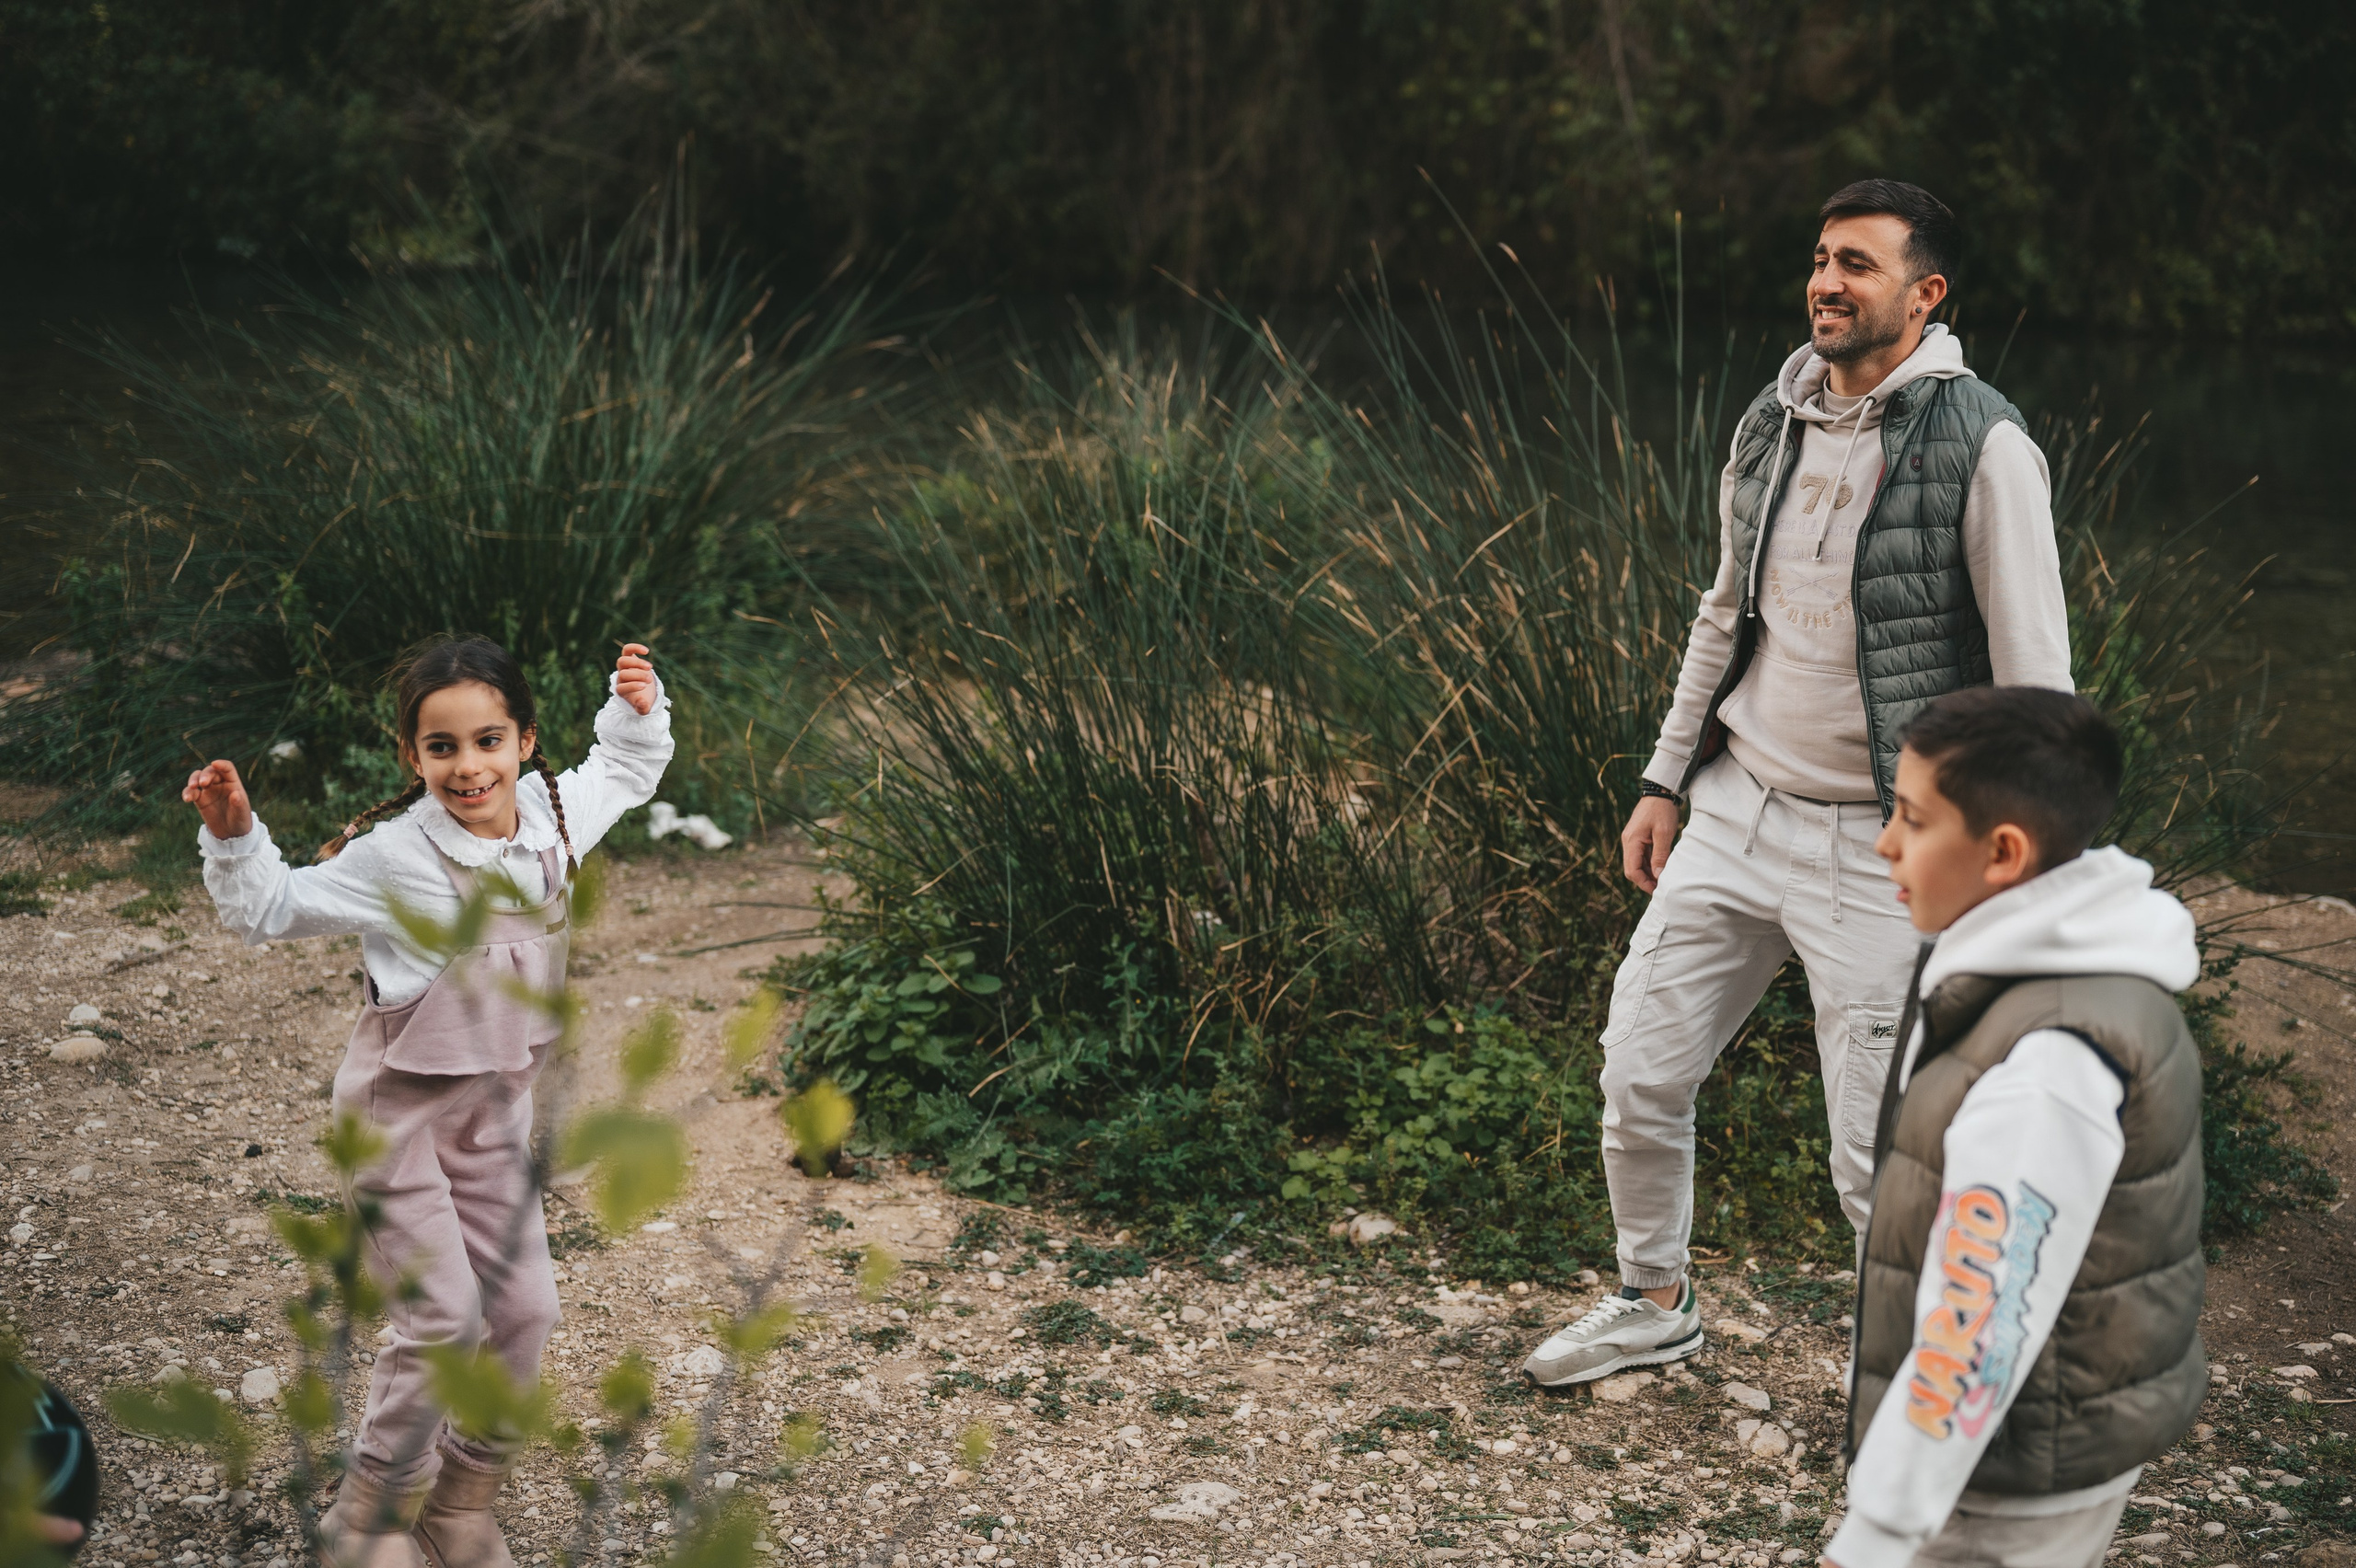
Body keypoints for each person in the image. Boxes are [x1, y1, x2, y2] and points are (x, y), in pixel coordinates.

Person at [1524, 179, 2073, 1386]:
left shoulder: (1986, 445)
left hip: (1883, 852)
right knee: (1640, 1071)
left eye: (1860, 265)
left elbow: (2037, 683)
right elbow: (1726, 618)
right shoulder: (1772, 422)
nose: (1828, 281)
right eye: (1822, 257)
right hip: (1734, 813)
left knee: (1873, 1157)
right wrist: (1666, 777)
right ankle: (1651, 1299)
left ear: (1927, 294)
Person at [184, 637, 674, 1568]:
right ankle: (365, 1520)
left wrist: (636, 708)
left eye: (488, 740)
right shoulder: (396, 857)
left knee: (525, 1313)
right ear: (412, 759)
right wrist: (236, 833)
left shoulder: (556, 819)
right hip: (397, 1130)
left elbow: (624, 765)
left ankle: (459, 1508)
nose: (468, 766)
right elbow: (271, 909)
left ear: (526, 741)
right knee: (444, 1319)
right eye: (441, 748)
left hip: (495, 1128)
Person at [1828, 685, 2204, 1568]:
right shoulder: (2059, 967)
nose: (1885, 844)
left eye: (1913, 822)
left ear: (2003, 851)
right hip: (2036, 1439)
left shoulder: (2048, 1062)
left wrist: (1877, 1533)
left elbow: (1981, 1313)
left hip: (2000, 1483)